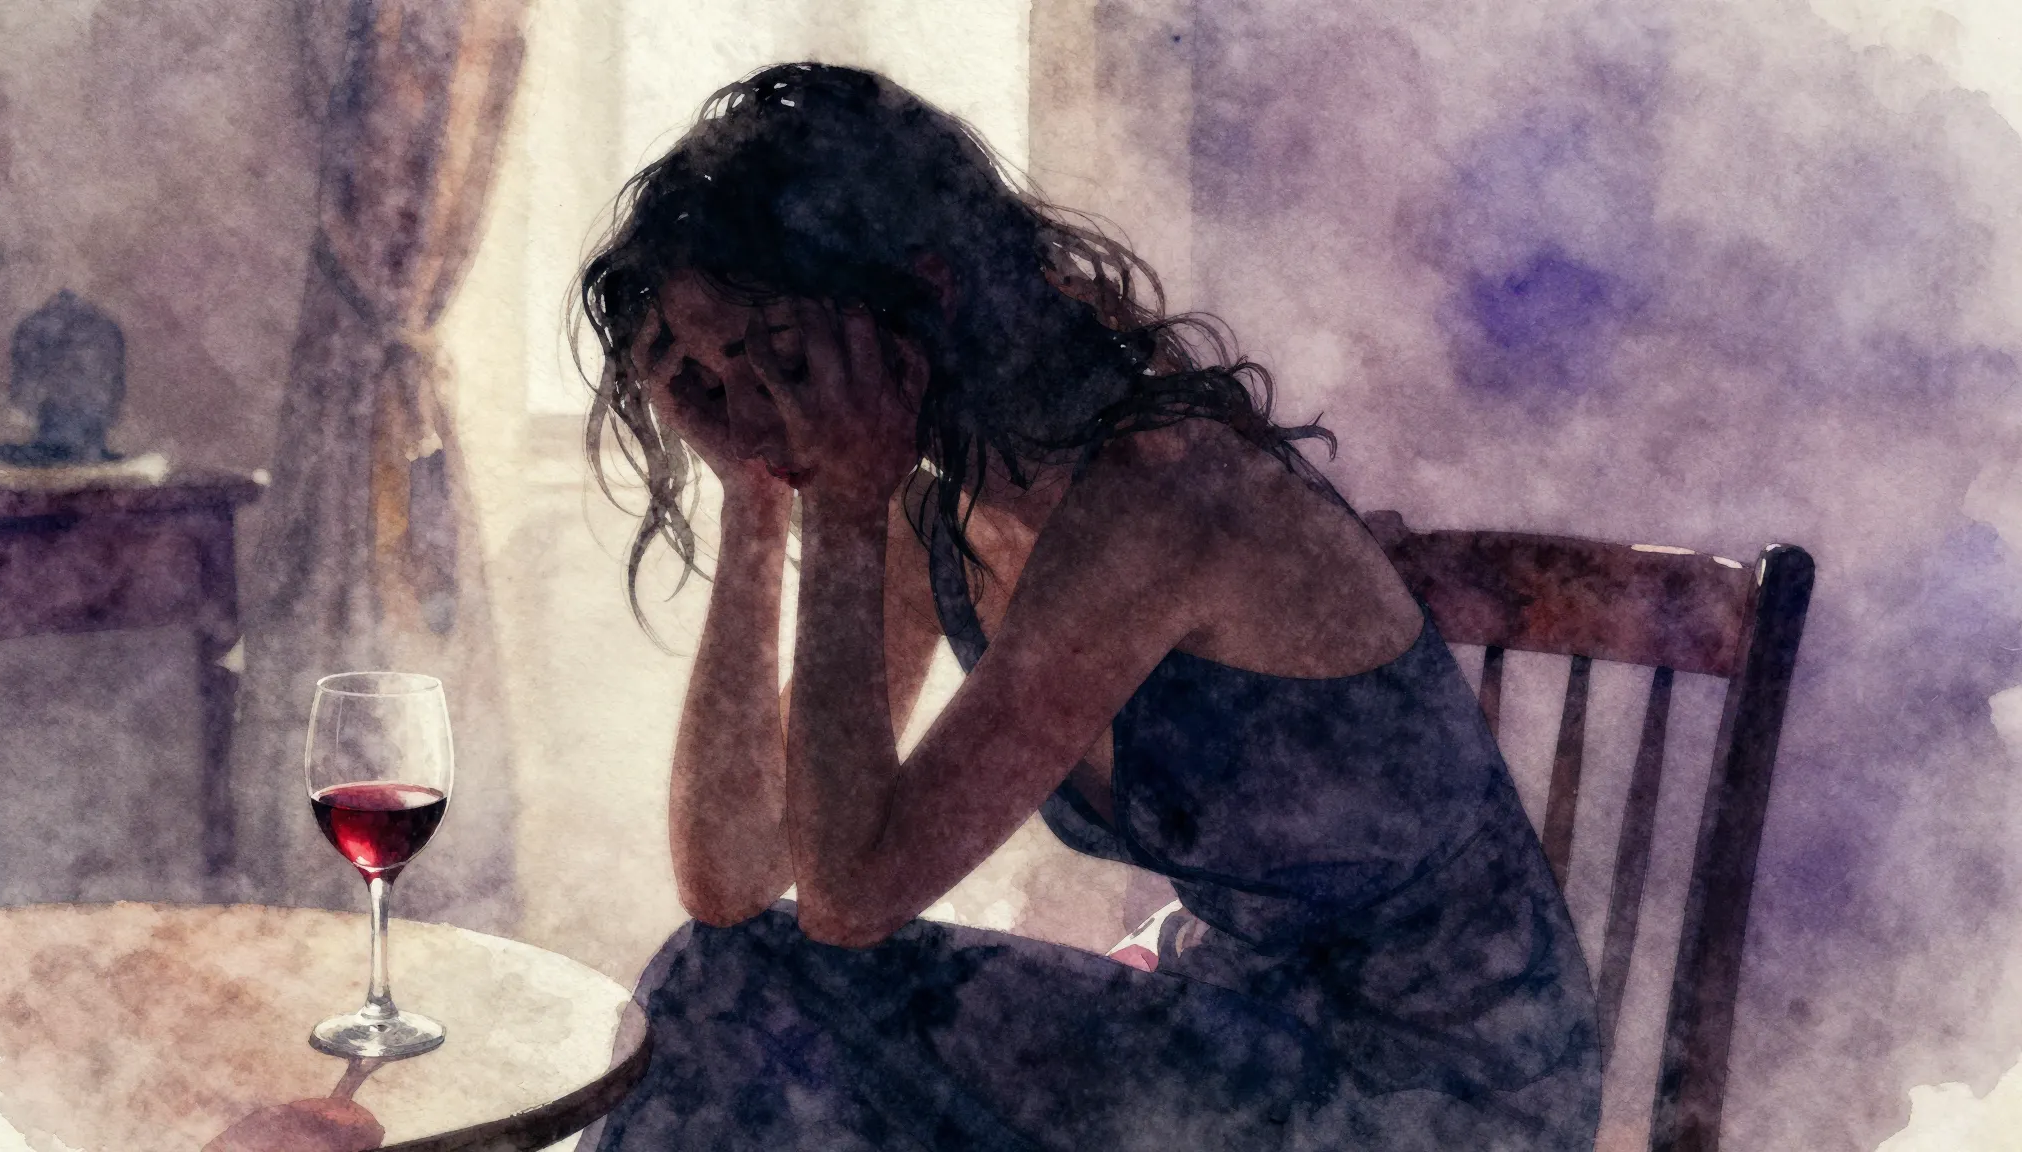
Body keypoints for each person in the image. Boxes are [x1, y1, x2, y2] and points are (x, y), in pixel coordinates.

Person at [575, 62, 1600, 1151]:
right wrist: (752, 498)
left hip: (1436, 1098)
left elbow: (851, 899)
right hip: (1244, 1037)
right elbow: (729, 881)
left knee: (747, 998)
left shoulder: (1163, 498)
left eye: (783, 362)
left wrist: (837, 505)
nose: (754, 416)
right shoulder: (937, 512)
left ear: (925, 297)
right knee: (727, 980)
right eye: (713, 383)